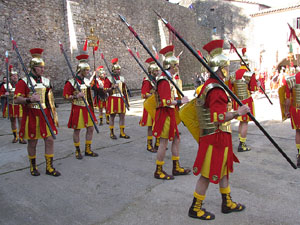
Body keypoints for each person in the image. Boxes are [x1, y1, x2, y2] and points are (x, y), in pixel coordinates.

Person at [188, 40, 250, 220]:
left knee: (224, 169)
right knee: (207, 175)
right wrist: (238, 113)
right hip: (214, 137)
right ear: (221, 68)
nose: (228, 71)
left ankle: (227, 202)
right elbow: (217, 118)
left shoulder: (211, 85)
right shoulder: (215, 89)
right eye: (226, 67)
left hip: (220, 136)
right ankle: (196, 207)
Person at [14, 48, 60, 177]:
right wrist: (29, 99)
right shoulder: (23, 82)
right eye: (40, 67)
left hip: (45, 113)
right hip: (31, 115)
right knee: (33, 142)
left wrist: (53, 113)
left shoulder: (46, 81)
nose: (42, 70)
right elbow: (17, 99)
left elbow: (49, 99)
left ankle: (49, 167)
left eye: (43, 67)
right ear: (33, 68)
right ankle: (33, 166)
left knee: (50, 139)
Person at [152, 45, 190, 180]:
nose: (177, 68)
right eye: (176, 66)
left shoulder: (169, 79)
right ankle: (159, 170)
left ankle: (176, 166)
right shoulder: (163, 80)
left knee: (176, 139)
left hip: (170, 114)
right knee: (163, 142)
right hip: (164, 115)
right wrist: (181, 102)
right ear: (172, 66)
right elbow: (165, 102)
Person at [63, 54, 98, 160]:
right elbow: (65, 96)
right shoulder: (71, 82)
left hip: (87, 107)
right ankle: (78, 150)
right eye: (86, 70)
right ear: (81, 70)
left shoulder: (87, 81)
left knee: (90, 128)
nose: (88, 72)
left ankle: (88, 149)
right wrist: (75, 96)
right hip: (77, 107)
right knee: (77, 130)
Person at [228, 48, 260, 152]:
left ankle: (241, 141)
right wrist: (258, 85)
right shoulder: (249, 74)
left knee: (241, 122)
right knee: (245, 122)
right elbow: (253, 89)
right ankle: (242, 144)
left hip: (237, 101)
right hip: (246, 101)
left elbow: (230, 89)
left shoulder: (233, 74)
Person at [104, 58, 130, 139]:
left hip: (121, 98)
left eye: (119, 69)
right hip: (113, 98)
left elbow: (124, 90)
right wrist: (112, 87)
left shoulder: (122, 78)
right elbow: (105, 90)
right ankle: (112, 133)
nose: (119, 71)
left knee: (122, 116)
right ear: (113, 70)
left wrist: (127, 101)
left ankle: (122, 133)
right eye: (117, 69)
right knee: (112, 116)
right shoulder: (108, 79)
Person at [0, 66, 27, 144]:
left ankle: (21, 137)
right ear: (10, 77)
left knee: (21, 121)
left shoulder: (21, 84)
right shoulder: (5, 86)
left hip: (19, 106)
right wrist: (5, 94)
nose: (15, 77)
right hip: (11, 105)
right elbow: (1, 94)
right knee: (13, 121)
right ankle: (15, 137)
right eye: (13, 76)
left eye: (16, 75)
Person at [139, 57, 160, 153]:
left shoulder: (156, 80)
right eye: (156, 70)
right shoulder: (147, 81)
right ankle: (149, 144)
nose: (157, 72)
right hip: (149, 106)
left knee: (158, 124)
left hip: (156, 105)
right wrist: (152, 94)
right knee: (150, 126)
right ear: (151, 71)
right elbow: (144, 94)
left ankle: (158, 143)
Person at [281, 72, 300, 168]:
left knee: (298, 132)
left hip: (296, 110)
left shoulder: (292, 79)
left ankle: (299, 154)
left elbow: (287, 99)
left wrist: (286, 111)